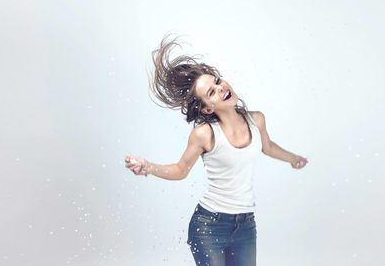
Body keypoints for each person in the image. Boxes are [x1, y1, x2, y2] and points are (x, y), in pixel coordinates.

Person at [124, 34, 308, 266]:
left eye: (218, 82)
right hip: (209, 226)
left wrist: (294, 159)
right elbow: (181, 169)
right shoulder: (205, 134)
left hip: (246, 226)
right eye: (211, 92)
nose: (221, 88)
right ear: (208, 109)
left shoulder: (257, 120)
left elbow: (267, 147)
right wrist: (149, 167)